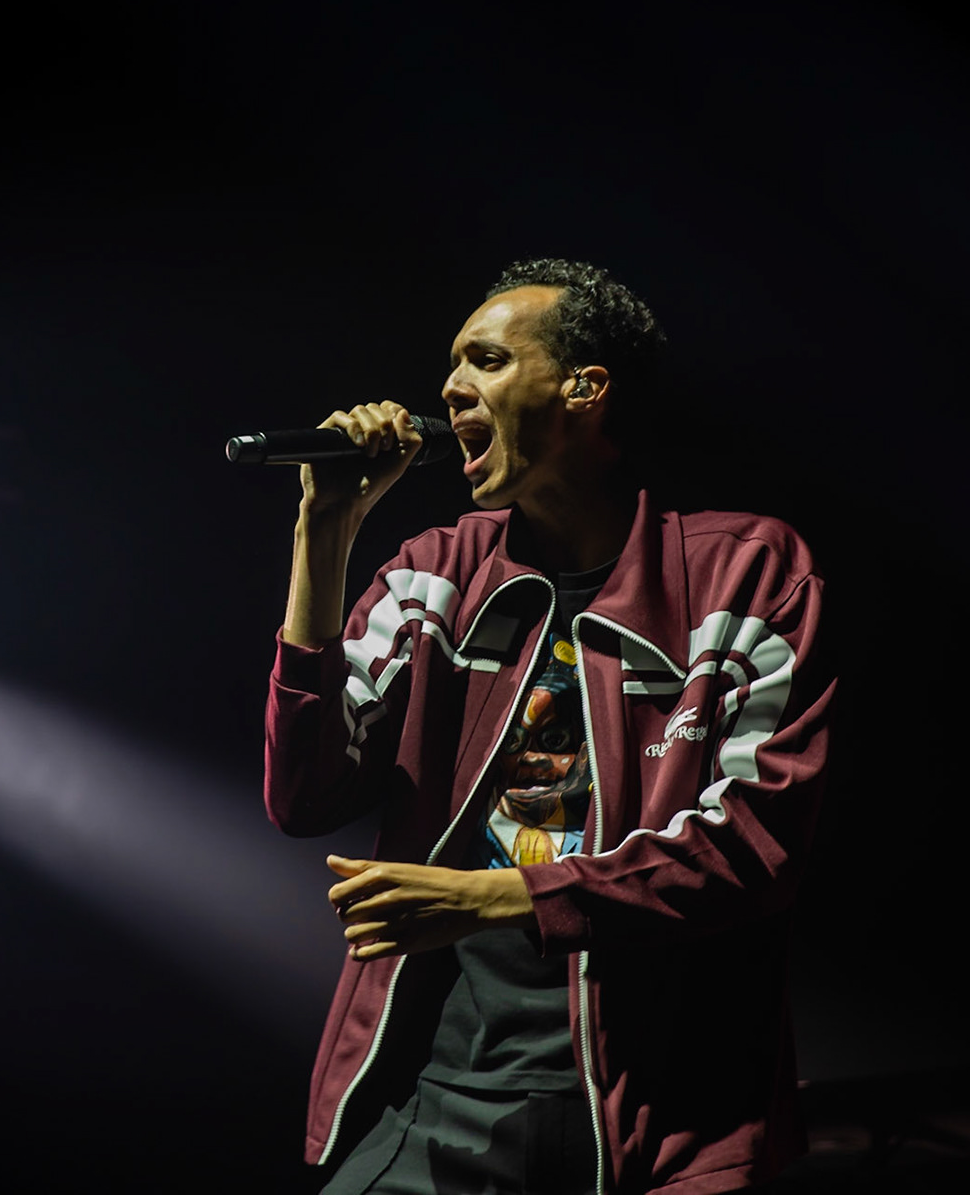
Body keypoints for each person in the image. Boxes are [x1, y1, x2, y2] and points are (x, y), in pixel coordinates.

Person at [263, 259, 835, 1194]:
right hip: (435, 1087)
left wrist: (500, 898)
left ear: (584, 390)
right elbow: (304, 795)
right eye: (451, 366)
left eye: (485, 360)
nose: (448, 388)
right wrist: (323, 534)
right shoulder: (434, 571)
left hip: (661, 1109)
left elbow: (754, 845)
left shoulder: (747, 574)